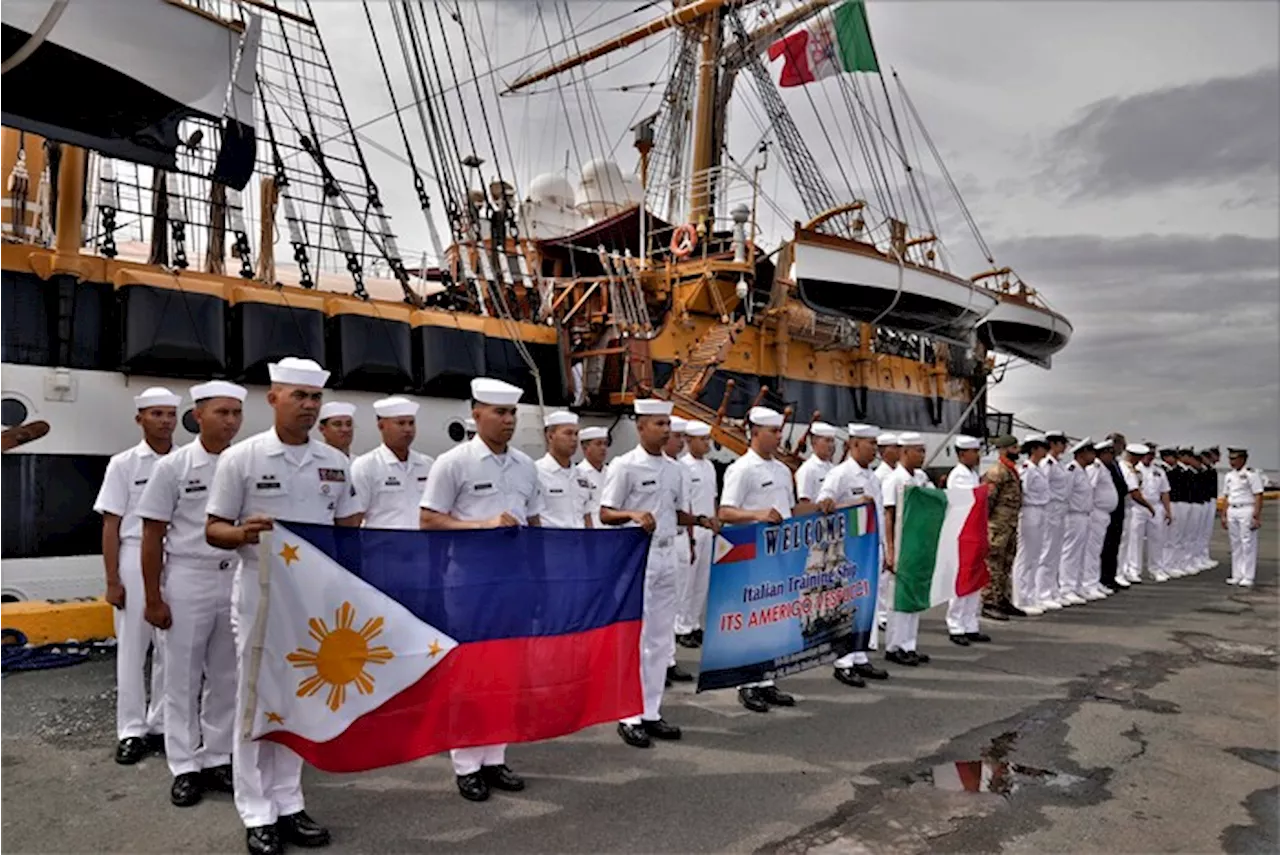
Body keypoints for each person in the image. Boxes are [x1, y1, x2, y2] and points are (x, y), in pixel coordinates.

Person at [206, 357, 363, 855]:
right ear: (273, 398)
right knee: (255, 704)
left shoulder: (335, 463)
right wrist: (243, 532)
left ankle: (289, 802)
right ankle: (256, 811)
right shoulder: (243, 459)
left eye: (315, 398)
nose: (310, 407)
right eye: (299, 397)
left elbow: (348, 527)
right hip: (260, 595)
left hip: (313, 604)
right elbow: (213, 529)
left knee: (299, 702)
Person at [419, 377, 544, 802]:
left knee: (507, 672)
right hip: (470, 582)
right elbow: (429, 520)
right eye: (499, 412)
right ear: (476, 413)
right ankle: (467, 763)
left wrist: (539, 578)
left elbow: (537, 524)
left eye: (513, 413)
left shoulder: (527, 466)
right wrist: (481, 525)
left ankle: (495, 756)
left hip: (514, 581)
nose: (508, 421)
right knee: (471, 673)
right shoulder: (453, 463)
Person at [136, 381, 244, 807]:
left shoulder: (244, 463)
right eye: (222, 412)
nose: (231, 421)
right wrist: (153, 597)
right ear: (198, 416)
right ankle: (183, 764)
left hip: (233, 576)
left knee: (226, 675)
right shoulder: (174, 467)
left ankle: (217, 756)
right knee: (181, 676)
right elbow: (151, 535)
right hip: (187, 577)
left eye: (236, 412)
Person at [600, 399, 719, 748]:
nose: (667, 430)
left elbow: (674, 512)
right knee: (637, 639)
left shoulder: (675, 469)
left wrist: (698, 520)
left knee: (659, 639)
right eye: (658, 424)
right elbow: (606, 512)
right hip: (640, 558)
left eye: (668, 423)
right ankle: (629, 714)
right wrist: (633, 515)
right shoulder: (625, 467)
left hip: (668, 555)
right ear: (640, 427)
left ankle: (651, 710)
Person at [94, 386, 179, 765]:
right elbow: (111, 524)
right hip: (132, 555)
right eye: (156, 414)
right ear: (139, 419)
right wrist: (112, 579)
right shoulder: (123, 464)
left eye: (169, 414)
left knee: (170, 647)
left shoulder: (186, 462)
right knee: (132, 646)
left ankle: (160, 722)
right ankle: (130, 729)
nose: (164, 421)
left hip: (176, 557)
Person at [718, 407, 808, 711]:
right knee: (753, 618)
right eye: (774, 432)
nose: (779, 437)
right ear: (756, 433)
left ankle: (766, 679)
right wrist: (757, 514)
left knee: (775, 618)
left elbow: (791, 511)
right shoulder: (742, 469)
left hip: (781, 554)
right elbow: (725, 511)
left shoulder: (783, 470)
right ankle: (747, 683)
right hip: (753, 554)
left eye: (780, 431)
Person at [817, 424, 890, 688]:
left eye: (875, 444)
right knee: (846, 606)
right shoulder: (840, 474)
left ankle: (859, 655)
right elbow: (824, 505)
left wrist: (883, 548)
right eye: (870, 444)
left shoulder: (872, 476)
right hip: (847, 551)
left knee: (865, 606)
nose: (874, 449)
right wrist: (852, 504)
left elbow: (879, 515)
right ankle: (843, 663)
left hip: (870, 549)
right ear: (854, 444)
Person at [881, 432, 933, 665]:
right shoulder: (894, 480)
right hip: (902, 544)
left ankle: (909, 644)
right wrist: (890, 550)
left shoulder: (920, 477)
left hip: (918, 543)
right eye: (918, 450)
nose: (922, 455)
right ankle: (895, 646)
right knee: (899, 598)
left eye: (923, 450)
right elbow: (888, 516)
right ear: (904, 452)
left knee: (914, 595)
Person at [350, 397, 434, 529]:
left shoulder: (427, 464)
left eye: (411, 423)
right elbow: (355, 518)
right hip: (381, 547)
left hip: (421, 546)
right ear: (381, 426)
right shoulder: (366, 466)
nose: (408, 429)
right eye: (400, 423)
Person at [945, 435, 993, 643]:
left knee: (975, 578)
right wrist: (984, 490)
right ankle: (956, 624)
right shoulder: (958, 476)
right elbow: (969, 500)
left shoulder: (972, 474)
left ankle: (970, 622)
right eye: (974, 452)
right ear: (962, 454)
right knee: (962, 578)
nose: (977, 456)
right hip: (962, 531)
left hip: (975, 531)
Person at [675, 420, 717, 649]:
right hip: (691, 530)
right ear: (689, 441)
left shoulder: (709, 467)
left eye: (707, 439)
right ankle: (681, 626)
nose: (706, 444)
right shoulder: (683, 467)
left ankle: (693, 623)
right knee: (687, 582)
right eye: (702, 440)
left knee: (702, 580)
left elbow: (712, 498)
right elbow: (686, 505)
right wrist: (690, 536)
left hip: (707, 530)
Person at [662, 417, 695, 684]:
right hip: (660, 543)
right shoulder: (658, 468)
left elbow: (685, 510)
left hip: (681, 539)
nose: (680, 441)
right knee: (658, 611)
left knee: (674, 603)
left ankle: (669, 659)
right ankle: (660, 662)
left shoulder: (679, 469)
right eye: (676, 436)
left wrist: (694, 536)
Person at [981, 435, 1023, 618]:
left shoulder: (1011, 470)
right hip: (997, 526)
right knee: (993, 564)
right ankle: (990, 602)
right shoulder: (997, 472)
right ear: (1005, 449)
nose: (1018, 450)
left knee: (1006, 563)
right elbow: (988, 502)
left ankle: (1003, 599)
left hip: (1009, 525)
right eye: (1014, 447)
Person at [1011, 434, 1050, 615]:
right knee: (1025, 556)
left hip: (1041, 510)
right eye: (1042, 447)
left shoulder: (1039, 469)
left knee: (1035, 555)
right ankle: (1020, 598)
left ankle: (1031, 595)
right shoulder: (1027, 469)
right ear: (1034, 449)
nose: (1045, 450)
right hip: (1030, 511)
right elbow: (1022, 492)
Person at [534, 411, 592, 529]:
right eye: (568, 433)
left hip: (580, 543)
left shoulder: (582, 475)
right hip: (552, 543)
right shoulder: (536, 473)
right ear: (550, 436)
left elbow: (586, 517)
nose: (574, 439)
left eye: (576, 434)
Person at [1057, 438, 1096, 604]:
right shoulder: (1071, 470)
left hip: (1084, 516)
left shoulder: (1083, 471)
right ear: (1082, 453)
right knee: (1070, 553)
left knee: (1080, 552)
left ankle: (1077, 586)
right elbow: (1065, 495)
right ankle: (1067, 588)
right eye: (1091, 452)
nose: (1094, 456)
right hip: (1073, 516)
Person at [1036, 430, 1070, 608]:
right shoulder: (1046, 463)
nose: (1064, 447)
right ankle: (1042, 592)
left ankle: (1052, 590)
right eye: (1062, 443)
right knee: (1047, 552)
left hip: (1061, 508)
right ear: (1054, 444)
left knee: (1056, 552)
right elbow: (1043, 486)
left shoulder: (1058, 464)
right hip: (1051, 508)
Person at [1222, 447, 1264, 587]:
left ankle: (1248, 575)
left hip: (1246, 509)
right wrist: (1223, 514)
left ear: (1243, 459)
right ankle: (1237, 574)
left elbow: (1258, 494)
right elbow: (1226, 496)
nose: (1231, 462)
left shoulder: (1251, 474)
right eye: (1230, 459)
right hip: (1232, 510)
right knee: (1235, 544)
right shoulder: (1229, 476)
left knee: (1248, 543)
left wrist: (1256, 515)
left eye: (1234, 459)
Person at [873, 433, 901, 631]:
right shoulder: (880, 476)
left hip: (898, 527)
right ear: (883, 451)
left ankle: (887, 610)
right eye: (894, 447)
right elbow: (884, 509)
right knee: (882, 576)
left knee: (892, 575)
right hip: (884, 526)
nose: (898, 451)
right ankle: (880, 614)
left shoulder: (896, 472)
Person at [1120, 443, 1157, 584]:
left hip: (1129, 508)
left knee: (1128, 542)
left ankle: (1125, 571)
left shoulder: (1129, 468)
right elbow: (1134, 492)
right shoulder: (1127, 469)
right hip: (1128, 507)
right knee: (1127, 543)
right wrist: (1149, 506)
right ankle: (1124, 571)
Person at [1099, 438, 1130, 590]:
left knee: (1114, 545)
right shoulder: (1100, 467)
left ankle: (1110, 576)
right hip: (1104, 512)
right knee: (1106, 546)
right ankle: (1104, 578)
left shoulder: (1114, 464)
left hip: (1116, 510)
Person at [795, 422, 838, 508]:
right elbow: (804, 504)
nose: (831, 445)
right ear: (814, 442)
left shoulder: (834, 469)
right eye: (827, 441)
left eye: (832, 441)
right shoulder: (807, 469)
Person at [1160, 448, 1189, 577]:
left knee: (1177, 536)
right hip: (1168, 503)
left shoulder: (1179, 470)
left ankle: (1173, 563)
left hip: (1178, 503)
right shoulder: (1162, 470)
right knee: (1168, 538)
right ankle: (1165, 564)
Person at [577, 426, 610, 528]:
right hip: (590, 531)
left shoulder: (611, 472)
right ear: (585, 447)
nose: (603, 448)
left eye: (605, 444)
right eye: (598, 444)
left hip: (612, 531)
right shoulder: (577, 474)